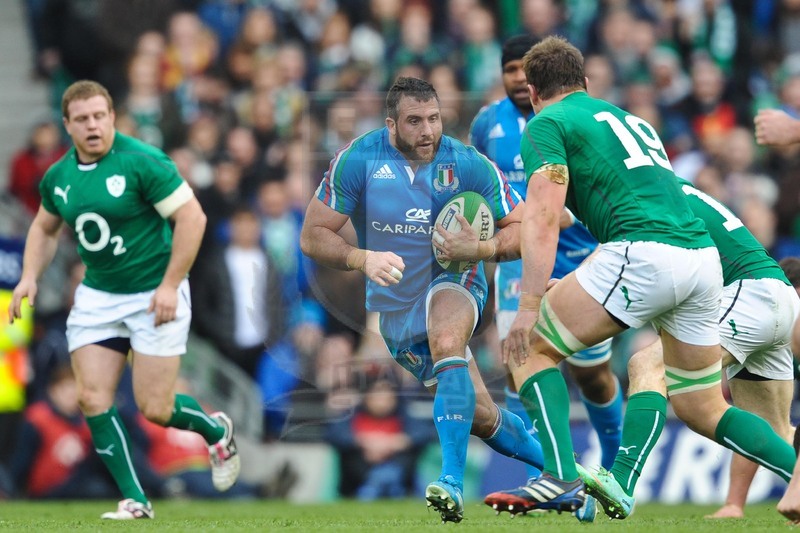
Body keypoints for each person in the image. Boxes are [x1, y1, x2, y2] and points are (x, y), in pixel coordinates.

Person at [483, 36, 797, 520]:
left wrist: (527, 307)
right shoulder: (633, 120)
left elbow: (543, 220)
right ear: (585, 83)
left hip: (645, 256)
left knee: (530, 348)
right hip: (701, 263)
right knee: (702, 408)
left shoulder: (546, 123)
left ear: (533, 90)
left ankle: (561, 478)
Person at [301, 76, 553, 523]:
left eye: (434, 119)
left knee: (447, 338)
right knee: (477, 413)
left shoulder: (468, 164)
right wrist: (361, 258)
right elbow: (312, 235)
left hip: (457, 279)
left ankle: (451, 483)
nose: (428, 131)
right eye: (414, 121)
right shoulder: (358, 160)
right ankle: (562, 471)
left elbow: (525, 227)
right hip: (396, 304)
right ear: (391, 124)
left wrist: (480, 249)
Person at [7, 80, 240, 520]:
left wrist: (171, 284)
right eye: (82, 119)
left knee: (156, 407)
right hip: (98, 296)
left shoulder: (144, 161)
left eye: (99, 116)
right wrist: (29, 277)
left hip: (155, 291)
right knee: (91, 397)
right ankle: (137, 500)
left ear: (112, 117)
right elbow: (42, 228)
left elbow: (193, 217)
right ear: (67, 125)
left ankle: (215, 429)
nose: (92, 125)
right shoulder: (58, 177)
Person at [470, 34, 622, 474]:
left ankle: (609, 467)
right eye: (510, 69)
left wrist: (565, 214)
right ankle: (546, 475)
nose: (518, 77)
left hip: (578, 258)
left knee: (591, 375)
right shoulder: (486, 124)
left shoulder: (569, 120)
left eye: (525, 69)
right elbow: (477, 185)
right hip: (518, 260)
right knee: (520, 361)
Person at [605, 179, 799, 520]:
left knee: (649, 366)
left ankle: (621, 482)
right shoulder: (670, 187)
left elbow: (658, 275)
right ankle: (734, 504)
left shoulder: (645, 196)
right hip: (772, 295)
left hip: (748, 294)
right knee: (778, 431)